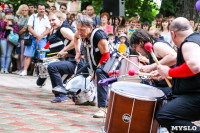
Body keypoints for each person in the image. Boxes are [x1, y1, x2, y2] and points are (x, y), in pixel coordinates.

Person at [156, 17, 200, 133]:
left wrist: (169, 72)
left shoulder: (188, 43)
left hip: (196, 96)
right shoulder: (196, 39)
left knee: (164, 115)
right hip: (193, 93)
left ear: (172, 34)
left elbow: (195, 66)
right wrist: (170, 75)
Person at [74, 15, 110, 118]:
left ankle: (104, 108)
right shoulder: (81, 33)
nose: (80, 32)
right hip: (95, 62)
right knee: (79, 73)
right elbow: (75, 37)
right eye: (78, 29)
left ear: (90, 28)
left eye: (82, 30)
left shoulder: (98, 35)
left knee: (100, 73)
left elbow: (106, 55)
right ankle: (90, 98)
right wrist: (78, 52)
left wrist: (95, 71)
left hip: (110, 61)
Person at [130, 29, 176, 95]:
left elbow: (174, 57)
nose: (136, 51)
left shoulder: (157, 45)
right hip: (162, 86)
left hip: (171, 87)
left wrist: (151, 67)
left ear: (141, 42)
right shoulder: (151, 50)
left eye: (135, 47)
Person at [47, 10, 78, 103]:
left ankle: (61, 95)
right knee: (56, 67)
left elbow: (76, 41)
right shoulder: (61, 29)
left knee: (52, 67)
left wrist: (63, 50)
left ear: (60, 20)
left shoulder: (63, 29)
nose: (51, 22)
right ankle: (61, 92)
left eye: (53, 20)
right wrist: (67, 53)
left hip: (78, 62)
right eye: (50, 20)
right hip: (74, 59)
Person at [20, 3, 51, 76]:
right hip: (32, 38)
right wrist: (37, 36)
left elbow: (48, 29)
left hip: (43, 39)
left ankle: (41, 73)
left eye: (43, 9)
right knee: (28, 55)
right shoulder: (32, 17)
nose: (42, 10)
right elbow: (29, 28)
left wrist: (40, 36)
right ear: (37, 10)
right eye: (40, 9)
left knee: (42, 56)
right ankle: (24, 71)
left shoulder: (47, 18)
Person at [1, 8, 18, 73]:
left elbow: (16, 31)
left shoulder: (14, 22)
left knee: (8, 54)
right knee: (3, 54)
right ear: (5, 14)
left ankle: (6, 68)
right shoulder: (2, 20)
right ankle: (2, 68)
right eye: (7, 14)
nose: (9, 15)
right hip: (4, 38)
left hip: (11, 39)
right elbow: (2, 28)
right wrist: (5, 21)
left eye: (10, 13)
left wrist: (11, 28)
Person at [15, 4, 29, 74]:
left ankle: (23, 69)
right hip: (18, 38)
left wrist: (16, 34)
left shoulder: (28, 18)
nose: (24, 11)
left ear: (27, 11)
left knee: (23, 54)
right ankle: (18, 68)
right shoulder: (20, 17)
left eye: (25, 10)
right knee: (18, 53)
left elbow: (24, 29)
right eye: (22, 10)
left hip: (24, 38)